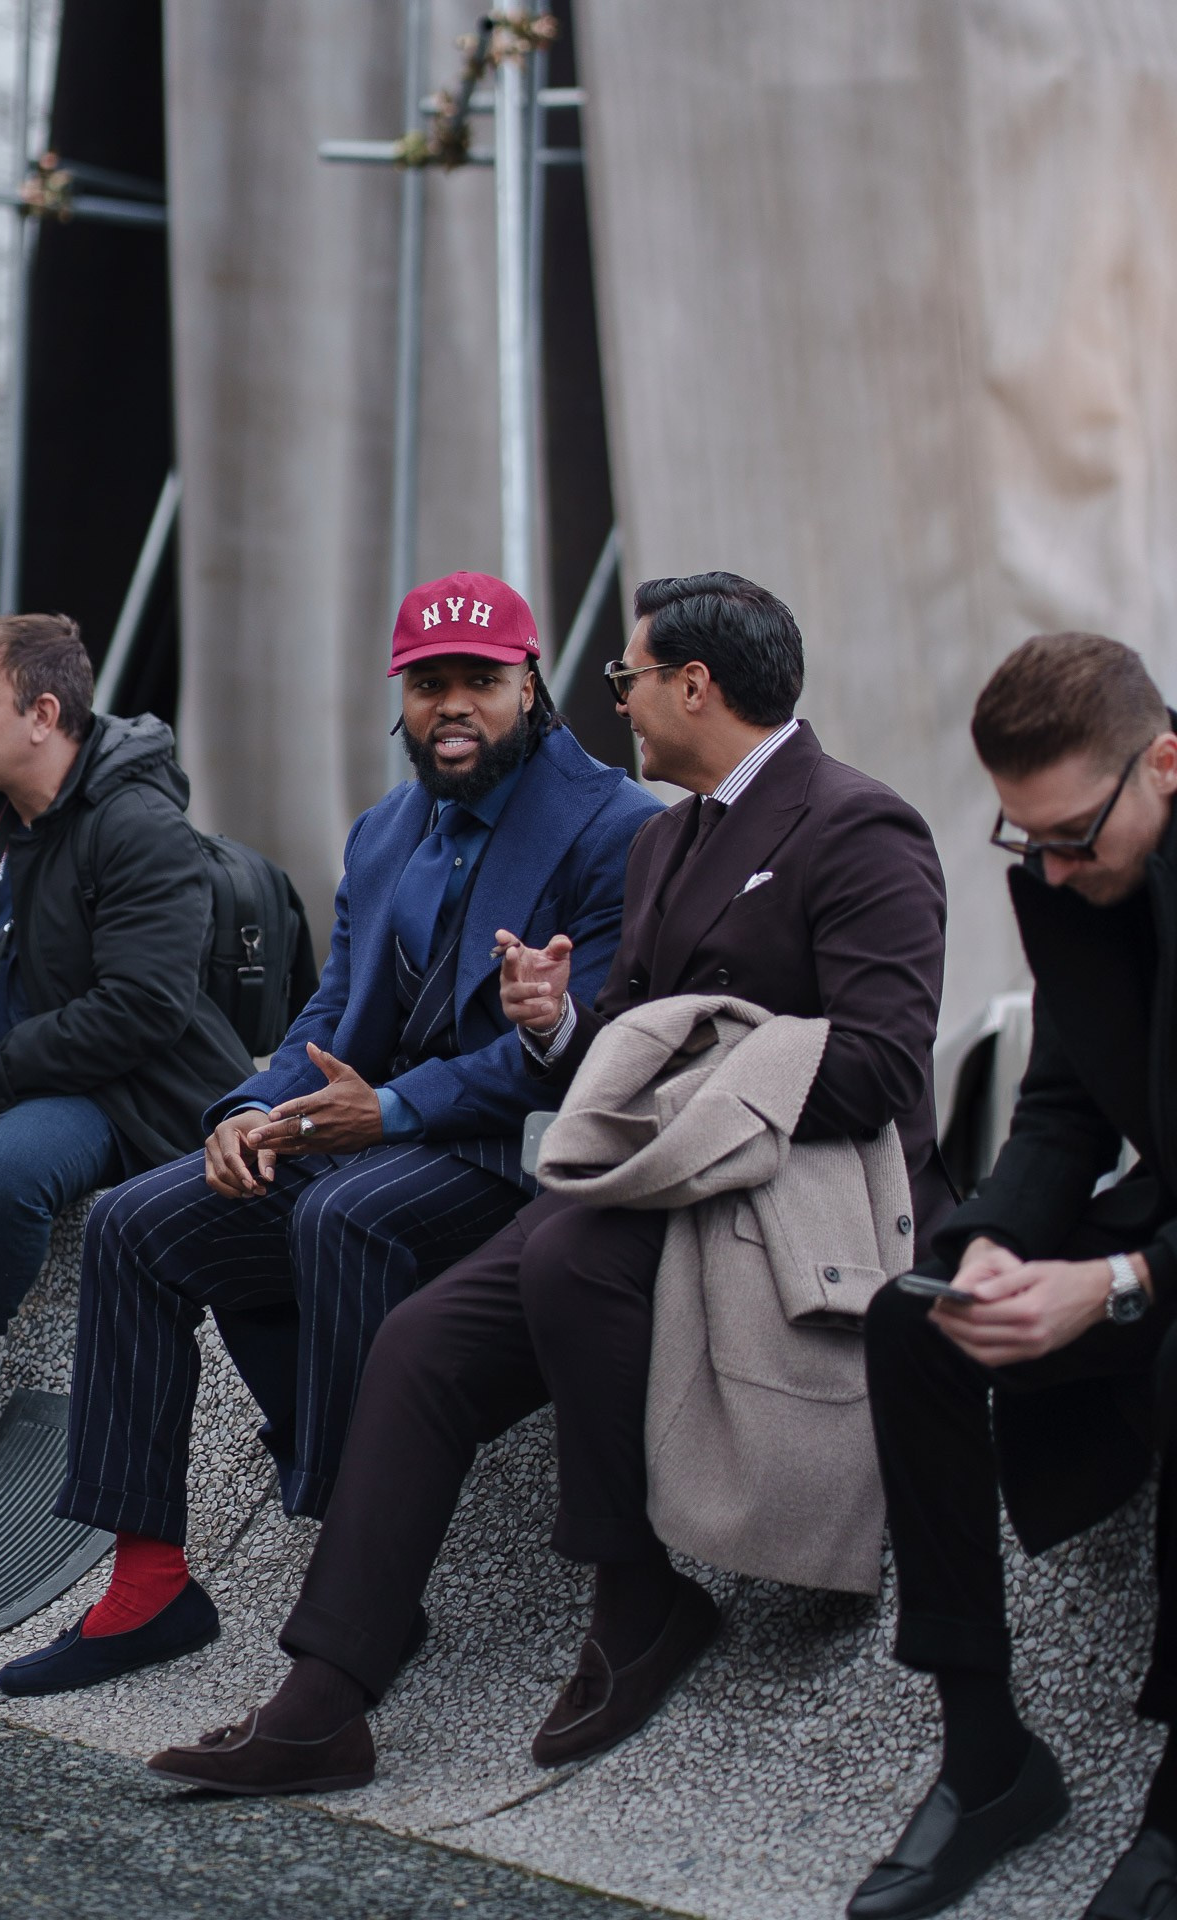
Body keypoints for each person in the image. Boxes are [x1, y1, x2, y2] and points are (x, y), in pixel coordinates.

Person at [141, 569, 953, 1797]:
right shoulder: (670, 835)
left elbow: (883, 1068)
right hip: (652, 1184)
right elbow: (607, 1058)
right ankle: (322, 1703)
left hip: (786, 1200)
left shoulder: (858, 824)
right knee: (418, 1345)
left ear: (693, 684)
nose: (615, 700)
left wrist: (682, 1084)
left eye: (628, 677)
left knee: (567, 1254)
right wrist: (550, 1027)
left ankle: (634, 1598)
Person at [0, 569, 660, 1697]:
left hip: (507, 1152)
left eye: (479, 681)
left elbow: (577, 1051)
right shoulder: (383, 827)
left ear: (531, 685)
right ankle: (150, 1587)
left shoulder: (618, 825)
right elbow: (330, 1011)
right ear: (398, 697)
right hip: (364, 1133)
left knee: (344, 1218)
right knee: (133, 1223)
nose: (451, 705)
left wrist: (388, 1111)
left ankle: (364, 1586)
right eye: (427, 683)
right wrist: (254, 1109)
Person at [846, 633, 1177, 1920]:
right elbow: (1057, 1112)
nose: (1045, 868)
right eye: (1022, 840)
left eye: (1072, 837)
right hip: (1157, 1219)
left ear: (1165, 762)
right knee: (911, 1322)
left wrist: (1121, 1285)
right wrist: (978, 1244)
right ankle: (982, 1756)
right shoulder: (1066, 877)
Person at [0, 612, 252, 1518]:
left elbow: (143, 1008)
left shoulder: (136, 826)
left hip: (114, 1091)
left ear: (43, 713)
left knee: (7, 1171)